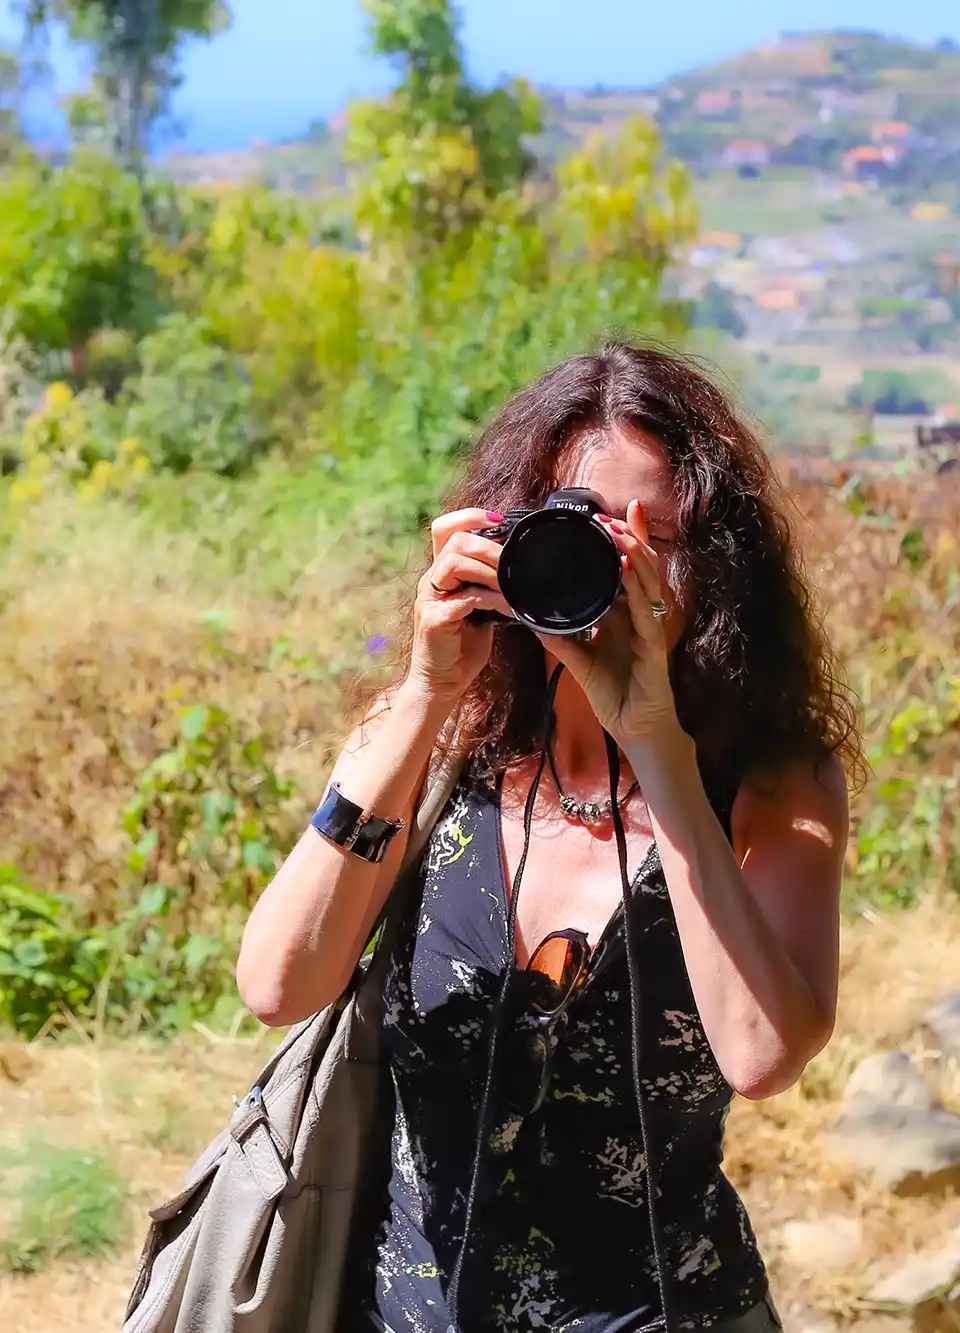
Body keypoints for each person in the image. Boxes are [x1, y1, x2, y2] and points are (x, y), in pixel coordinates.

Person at [236, 342, 860, 1333]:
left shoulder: (773, 788)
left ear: (718, 563)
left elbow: (761, 1054)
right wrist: (424, 693)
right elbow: (279, 984)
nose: (615, 567)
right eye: (585, 529)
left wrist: (653, 742)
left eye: (657, 536)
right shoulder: (438, 746)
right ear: (509, 537)